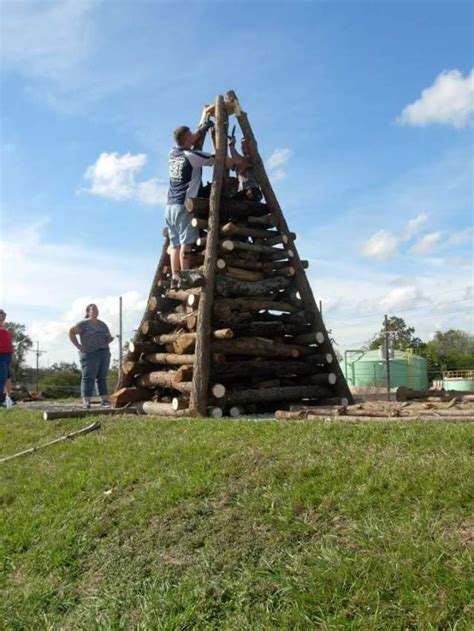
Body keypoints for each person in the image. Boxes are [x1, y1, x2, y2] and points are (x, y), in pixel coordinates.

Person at [166, 105, 217, 289]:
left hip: (169, 205)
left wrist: (202, 128)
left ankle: (174, 278)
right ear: (187, 138)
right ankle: (185, 275)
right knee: (186, 243)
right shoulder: (192, 156)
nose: (194, 136)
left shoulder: (173, 153)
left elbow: (193, 138)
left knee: (175, 245)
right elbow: (214, 159)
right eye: (191, 135)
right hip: (183, 205)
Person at [68, 304, 114, 409]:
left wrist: (109, 339)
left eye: (96, 309)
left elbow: (107, 337)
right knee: (88, 377)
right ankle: (86, 401)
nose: (95, 311)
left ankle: (104, 400)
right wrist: (78, 346)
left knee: (102, 377)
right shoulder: (83, 324)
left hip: (104, 352)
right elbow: (71, 332)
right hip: (89, 353)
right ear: (88, 312)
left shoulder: (102, 324)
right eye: (93, 310)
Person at [229, 137, 263, 202]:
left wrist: (231, 145)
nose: (243, 146)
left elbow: (239, 162)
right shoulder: (240, 159)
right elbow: (227, 161)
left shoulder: (254, 158)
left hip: (252, 191)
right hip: (241, 193)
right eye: (242, 144)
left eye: (245, 143)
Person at [0, 309, 14, 408]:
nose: (4, 316)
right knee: (2, 377)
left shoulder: (4, 327)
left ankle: (7, 398)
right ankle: (1, 400)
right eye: (1, 314)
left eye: (4, 314)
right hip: (1, 355)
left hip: (8, 355)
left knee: (6, 378)